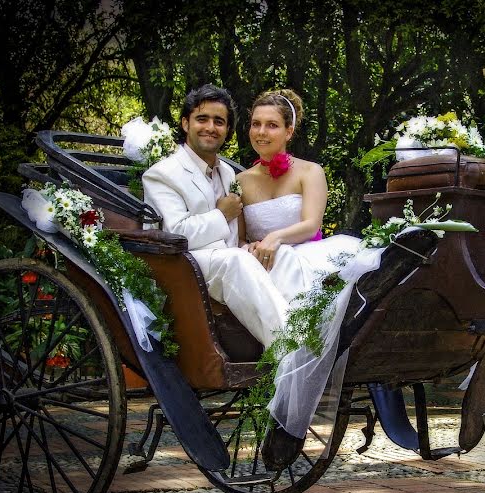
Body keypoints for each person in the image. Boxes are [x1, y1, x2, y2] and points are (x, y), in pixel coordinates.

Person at [142, 84, 292, 348]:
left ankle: (307, 331)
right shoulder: (162, 174)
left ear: (227, 131)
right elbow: (176, 233)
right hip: (185, 267)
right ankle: (290, 346)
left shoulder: (228, 174)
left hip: (226, 263)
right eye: (202, 119)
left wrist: (248, 247)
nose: (210, 127)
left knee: (277, 257)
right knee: (236, 260)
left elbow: (234, 240)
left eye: (219, 122)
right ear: (185, 124)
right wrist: (221, 215)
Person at [236, 89, 360, 302]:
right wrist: (248, 247)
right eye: (256, 124)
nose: (261, 132)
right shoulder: (239, 182)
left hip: (308, 262)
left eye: (272, 125)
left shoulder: (310, 172)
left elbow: (312, 224)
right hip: (262, 268)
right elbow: (238, 238)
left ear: (289, 132)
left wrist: (274, 238)